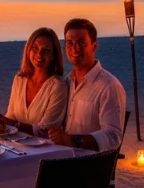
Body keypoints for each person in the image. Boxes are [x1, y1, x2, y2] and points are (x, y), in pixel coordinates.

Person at [48, 18, 126, 152]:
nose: (75, 49)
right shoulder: (68, 82)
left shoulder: (108, 86)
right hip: (64, 155)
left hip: (88, 165)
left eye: (81, 42)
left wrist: (72, 140)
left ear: (94, 45)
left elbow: (113, 137)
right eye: (70, 43)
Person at [0, 27, 67, 137]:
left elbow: (46, 130)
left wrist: (12, 123)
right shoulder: (19, 79)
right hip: (17, 146)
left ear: (54, 55)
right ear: (28, 50)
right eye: (34, 48)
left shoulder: (58, 87)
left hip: (44, 150)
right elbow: (11, 116)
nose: (39, 54)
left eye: (46, 50)